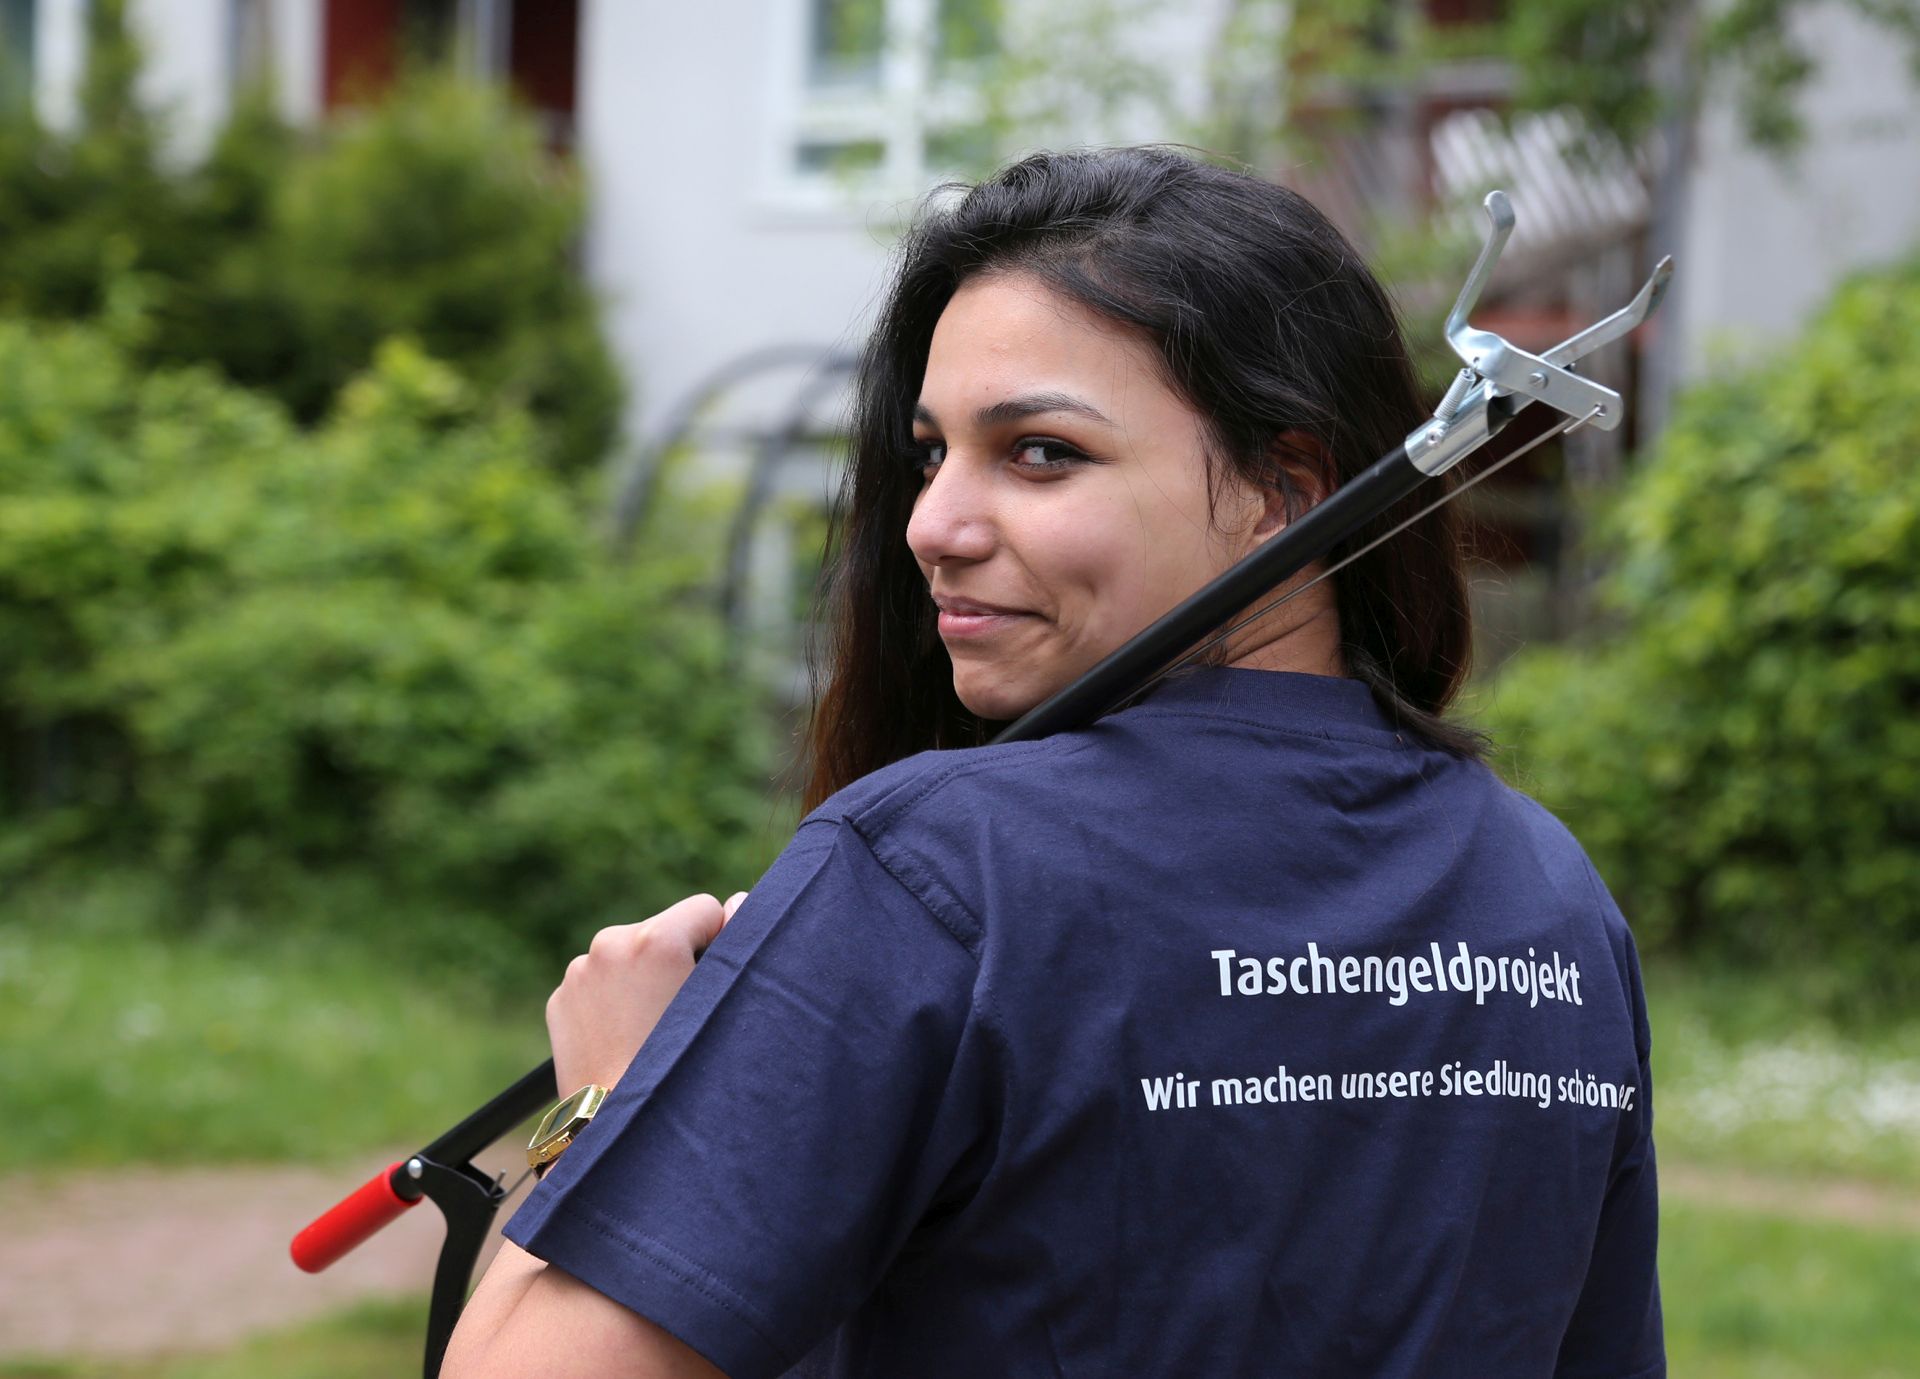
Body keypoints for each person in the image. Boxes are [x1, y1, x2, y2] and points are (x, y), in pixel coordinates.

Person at [442, 147, 1664, 1379]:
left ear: (1283, 495)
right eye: (932, 453)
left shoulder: (935, 870)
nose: (932, 525)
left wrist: (602, 1107)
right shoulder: (1550, 894)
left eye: (1039, 452)